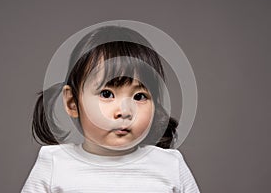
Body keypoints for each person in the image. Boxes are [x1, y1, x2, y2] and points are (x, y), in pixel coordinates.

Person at [21, 25, 200, 193]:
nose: (124, 111)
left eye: (139, 96)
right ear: (72, 103)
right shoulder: (55, 163)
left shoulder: (171, 166)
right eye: (106, 94)